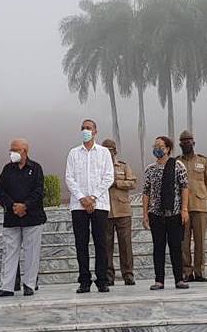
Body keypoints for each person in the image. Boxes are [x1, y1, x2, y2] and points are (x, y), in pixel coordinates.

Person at [0, 139, 47, 298]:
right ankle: (7, 286)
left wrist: (25, 206)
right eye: (11, 150)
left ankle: (29, 284)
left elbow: (39, 192)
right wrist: (13, 206)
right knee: (9, 252)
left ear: (24, 151)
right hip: (12, 218)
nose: (12, 153)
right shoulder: (7, 169)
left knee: (31, 253)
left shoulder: (36, 168)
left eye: (15, 150)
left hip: (32, 218)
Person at [65, 118, 114, 293]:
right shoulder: (73, 153)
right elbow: (69, 178)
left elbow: (109, 177)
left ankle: (102, 279)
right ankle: (84, 280)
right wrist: (82, 199)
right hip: (79, 206)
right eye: (83, 128)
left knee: (101, 243)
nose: (85, 130)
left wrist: (92, 198)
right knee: (81, 243)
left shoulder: (104, 153)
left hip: (99, 204)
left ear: (95, 131)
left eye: (88, 128)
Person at [142, 136, 190, 290]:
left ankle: (179, 279)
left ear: (168, 148)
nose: (157, 149)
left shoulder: (178, 166)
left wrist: (184, 209)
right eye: (155, 146)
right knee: (158, 247)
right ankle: (159, 280)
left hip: (174, 213)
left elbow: (184, 188)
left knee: (176, 247)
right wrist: (145, 215)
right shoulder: (150, 169)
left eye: (160, 146)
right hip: (155, 214)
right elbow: (146, 192)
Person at [101, 138, 137, 286]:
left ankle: (128, 274)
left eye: (111, 150)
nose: (109, 153)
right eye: (106, 151)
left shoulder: (123, 166)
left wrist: (117, 183)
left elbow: (133, 182)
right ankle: (109, 276)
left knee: (125, 245)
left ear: (115, 151)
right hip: (105, 211)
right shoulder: (99, 168)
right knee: (106, 245)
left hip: (123, 211)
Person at [177, 130, 207, 283]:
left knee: (200, 241)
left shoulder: (203, 161)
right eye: (184, 141)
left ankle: (199, 271)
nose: (186, 143)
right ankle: (187, 272)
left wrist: (200, 194)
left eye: (189, 140)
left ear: (194, 143)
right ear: (180, 144)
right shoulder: (177, 162)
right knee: (183, 242)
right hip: (182, 208)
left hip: (199, 206)